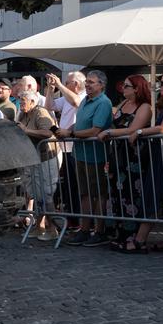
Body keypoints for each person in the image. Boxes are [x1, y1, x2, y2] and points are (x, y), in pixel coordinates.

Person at [114, 71, 163, 253]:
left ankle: (140, 240)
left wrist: (140, 132)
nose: (159, 87)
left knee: (156, 194)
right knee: (162, 193)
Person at [57, 70, 112, 246]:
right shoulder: (84, 101)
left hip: (95, 155)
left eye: (92, 82)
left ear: (101, 85)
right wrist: (67, 130)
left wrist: (71, 133)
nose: (87, 84)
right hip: (79, 153)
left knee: (98, 194)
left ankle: (100, 230)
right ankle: (85, 229)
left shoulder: (103, 102)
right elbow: (79, 122)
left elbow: (95, 130)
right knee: (84, 194)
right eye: (87, 81)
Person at [97, 74, 152, 236]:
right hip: (117, 154)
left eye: (127, 86)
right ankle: (116, 230)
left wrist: (109, 132)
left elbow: (132, 129)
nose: (123, 88)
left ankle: (131, 232)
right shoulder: (124, 103)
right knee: (115, 191)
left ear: (137, 89)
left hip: (134, 156)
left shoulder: (145, 107)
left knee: (131, 192)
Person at [17, 90, 59, 241]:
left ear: (33, 102)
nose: (21, 104)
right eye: (20, 101)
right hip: (32, 158)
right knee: (37, 194)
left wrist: (27, 130)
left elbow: (48, 133)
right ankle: (39, 226)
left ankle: (53, 229)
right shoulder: (23, 114)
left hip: (46, 158)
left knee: (46, 194)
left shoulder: (40, 112)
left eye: (23, 101)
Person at [45, 71, 87, 220]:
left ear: (75, 84)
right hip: (65, 147)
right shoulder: (66, 97)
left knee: (77, 186)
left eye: (67, 82)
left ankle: (78, 219)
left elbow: (76, 102)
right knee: (69, 186)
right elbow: (49, 106)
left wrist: (60, 85)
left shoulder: (83, 96)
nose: (65, 84)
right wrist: (51, 89)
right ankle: (72, 218)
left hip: (76, 146)